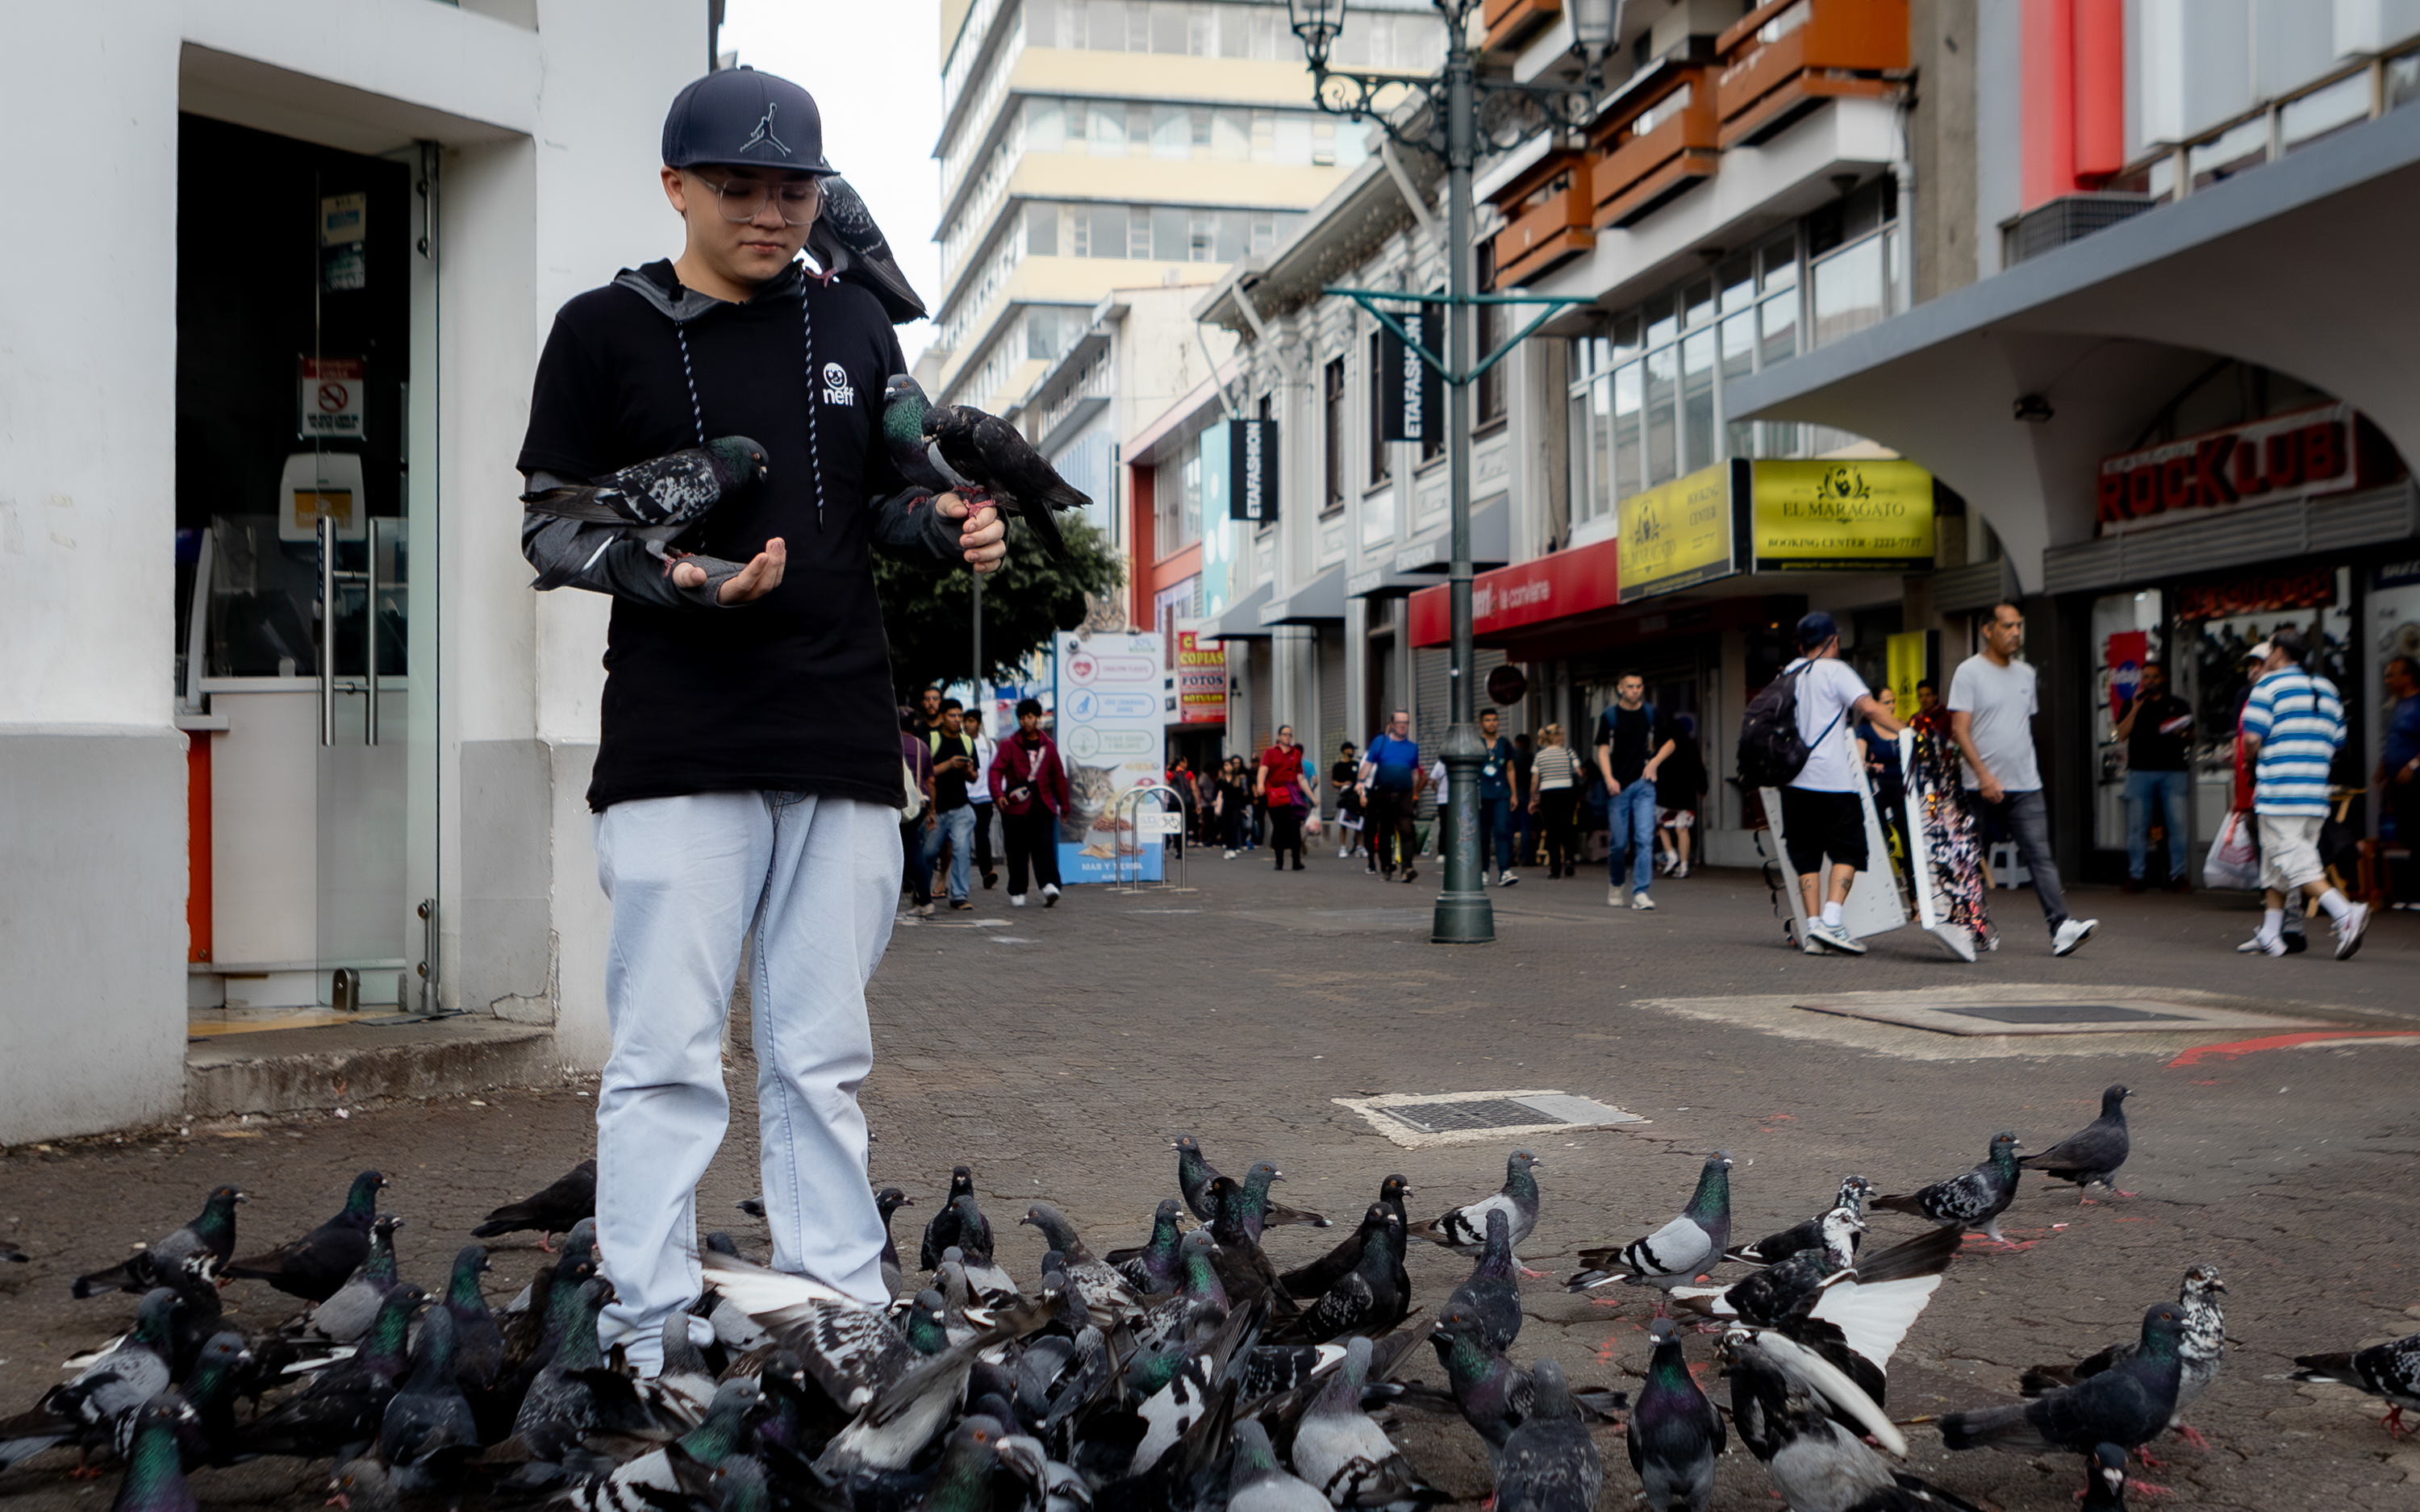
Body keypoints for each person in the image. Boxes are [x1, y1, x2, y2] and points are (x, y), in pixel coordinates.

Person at [515, 67, 1008, 1371]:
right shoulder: (601, 330)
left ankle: (840, 1320)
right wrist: (675, 578)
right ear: (675, 186)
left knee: (821, 1055)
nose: (769, 212)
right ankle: (646, 1330)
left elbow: (885, 502)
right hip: (680, 742)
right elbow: (552, 529)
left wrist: (954, 525)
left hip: (841, 732)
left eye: (793, 190)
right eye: (738, 186)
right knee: (668, 1057)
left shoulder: (854, 324)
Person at [1949, 602, 2098, 957]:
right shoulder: (1968, 672)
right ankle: (1965, 928)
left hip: (2025, 785)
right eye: (2008, 626)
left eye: (2019, 626)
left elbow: (2019, 726)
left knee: (2041, 857)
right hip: (1977, 787)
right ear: (1988, 630)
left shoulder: (2026, 673)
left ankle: (2061, 927)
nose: (2016, 632)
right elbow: (1959, 730)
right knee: (1967, 859)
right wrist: (1984, 776)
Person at [2238, 628, 2366, 957]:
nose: (2266, 657)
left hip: (2280, 791)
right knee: (2276, 862)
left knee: (2293, 862)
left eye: (2269, 651)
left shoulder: (2267, 686)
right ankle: (2270, 933)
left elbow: (2251, 738)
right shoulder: (2328, 688)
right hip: (2314, 792)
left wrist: (2251, 758)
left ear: (2279, 653)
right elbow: (2339, 741)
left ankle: (2344, 913)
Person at [1778, 614, 1900, 953]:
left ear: (1801, 645)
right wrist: (1908, 732)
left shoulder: (1789, 673)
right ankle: (1832, 921)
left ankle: (1813, 930)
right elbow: (1870, 709)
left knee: (1806, 855)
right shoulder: (1836, 671)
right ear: (1833, 641)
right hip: (1832, 782)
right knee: (1849, 849)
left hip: (1793, 782)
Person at [1594, 673, 1673, 910]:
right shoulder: (1610, 716)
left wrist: (1654, 762)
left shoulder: (1650, 713)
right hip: (1618, 786)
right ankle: (1617, 883)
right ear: (1620, 688)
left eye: (1639, 686)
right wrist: (1609, 778)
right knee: (1619, 844)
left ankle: (1641, 892)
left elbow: (1670, 743)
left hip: (1643, 784)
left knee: (1645, 839)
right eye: (1630, 686)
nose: (1635, 690)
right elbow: (1603, 750)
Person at [2113, 660, 2193, 893]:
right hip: (2140, 772)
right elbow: (2121, 734)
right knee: (2138, 826)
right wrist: (2136, 708)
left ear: (2163, 679)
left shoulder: (2178, 704)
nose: (2150, 681)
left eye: (2154, 677)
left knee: (2176, 825)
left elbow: (2193, 735)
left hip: (2173, 771)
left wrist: (2183, 732)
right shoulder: (2131, 703)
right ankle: (2136, 876)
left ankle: (2177, 875)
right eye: (2146, 677)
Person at [991, 698, 1066, 906]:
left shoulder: (1048, 746)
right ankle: (1018, 891)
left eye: (1030, 717)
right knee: (1016, 850)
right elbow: (996, 770)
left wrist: (1064, 804)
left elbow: (1058, 776)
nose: (1026, 721)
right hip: (1014, 808)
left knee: (1044, 847)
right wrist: (998, 794)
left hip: (1043, 806)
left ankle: (1049, 886)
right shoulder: (1009, 745)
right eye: (1022, 718)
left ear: (1038, 718)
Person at [922, 699, 978, 910]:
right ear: (942, 717)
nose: (957, 720)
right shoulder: (931, 739)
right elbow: (922, 774)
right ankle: (921, 892)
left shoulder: (967, 741)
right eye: (952, 716)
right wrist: (948, 764)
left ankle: (959, 896)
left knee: (962, 849)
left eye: (959, 716)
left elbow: (974, 777)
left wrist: (969, 771)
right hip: (936, 810)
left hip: (961, 807)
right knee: (928, 852)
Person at [2379, 655, 2420, 910]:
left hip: (2415, 781)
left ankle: (2416, 894)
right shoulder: (2399, 704)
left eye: (2392, 675)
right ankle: (2407, 893)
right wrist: (2383, 767)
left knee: (2418, 834)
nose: (2387, 680)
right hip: (2397, 782)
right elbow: (2395, 739)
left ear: (2408, 677)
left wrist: (2414, 765)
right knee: (2406, 835)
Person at [1363, 710, 1424, 882]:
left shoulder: (1412, 747)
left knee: (1406, 829)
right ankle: (1386, 866)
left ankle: (1407, 868)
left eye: (1406, 722)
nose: (1403, 726)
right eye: (1399, 723)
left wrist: (1414, 793)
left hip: (1405, 795)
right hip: (1384, 795)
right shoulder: (1380, 742)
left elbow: (1414, 771)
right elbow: (1367, 765)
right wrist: (1360, 785)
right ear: (1391, 724)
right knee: (1385, 832)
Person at [1857, 689, 1906, 880]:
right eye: (1886, 703)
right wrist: (1871, 766)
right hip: (1880, 789)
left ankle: (1913, 881)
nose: (1892, 706)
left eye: (1893, 701)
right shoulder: (1865, 729)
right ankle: (1884, 878)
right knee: (1880, 836)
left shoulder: (1901, 725)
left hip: (1903, 789)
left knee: (1908, 836)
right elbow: (1859, 761)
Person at [1256, 725, 1316, 872]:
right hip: (1275, 796)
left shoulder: (1296, 754)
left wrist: (1312, 797)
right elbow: (1263, 769)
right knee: (1279, 828)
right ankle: (1279, 861)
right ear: (1278, 736)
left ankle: (1296, 861)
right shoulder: (1270, 752)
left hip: (1292, 797)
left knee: (1294, 828)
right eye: (1285, 734)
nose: (1288, 737)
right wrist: (1260, 784)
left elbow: (1301, 778)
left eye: (1290, 735)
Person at [1655, 710, 1707, 881]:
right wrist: (1703, 788)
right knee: (1682, 829)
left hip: (1665, 795)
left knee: (1662, 825)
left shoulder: (1663, 746)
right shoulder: (1690, 745)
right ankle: (1684, 866)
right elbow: (1699, 769)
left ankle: (1671, 855)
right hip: (1685, 795)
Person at [1529, 723, 1580, 878]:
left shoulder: (1540, 756)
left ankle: (1556, 867)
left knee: (1552, 830)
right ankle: (1569, 860)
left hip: (1548, 794)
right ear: (1559, 737)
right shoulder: (1569, 752)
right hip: (1567, 793)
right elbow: (1579, 772)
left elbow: (1534, 781)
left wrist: (1533, 799)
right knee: (1567, 828)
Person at [1477, 708, 1520, 885]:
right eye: (1488, 720)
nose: (1492, 723)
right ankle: (1483, 871)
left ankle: (1505, 870)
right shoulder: (1476, 743)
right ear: (1481, 723)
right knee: (1483, 835)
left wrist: (1514, 794)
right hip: (1481, 795)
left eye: (1494, 720)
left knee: (1502, 830)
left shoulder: (1504, 743)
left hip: (1501, 794)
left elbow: (1510, 769)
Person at [899, 710, 936, 918]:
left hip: (899, 804)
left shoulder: (890, 744)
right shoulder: (922, 746)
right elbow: (931, 781)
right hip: (920, 803)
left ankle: (924, 899)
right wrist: (932, 811)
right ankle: (922, 897)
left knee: (909, 852)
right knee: (914, 848)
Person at [963, 706, 999, 889]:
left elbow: (996, 770)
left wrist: (998, 794)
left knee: (982, 834)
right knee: (961, 838)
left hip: (984, 797)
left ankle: (987, 872)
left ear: (978, 724)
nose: (967, 725)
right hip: (963, 797)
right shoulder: (960, 742)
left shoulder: (989, 745)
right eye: (965, 721)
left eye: (971, 721)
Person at [1331, 741, 1365, 860]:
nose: (1352, 751)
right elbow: (1334, 782)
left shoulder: (1357, 764)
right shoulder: (1338, 766)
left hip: (1356, 796)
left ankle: (1359, 846)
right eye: (1350, 749)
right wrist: (1344, 783)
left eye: (1353, 749)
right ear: (1345, 750)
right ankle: (1343, 846)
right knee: (1343, 821)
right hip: (1345, 796)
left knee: (1359, 821)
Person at [1511, 731, 1538, 867]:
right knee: (1526, 827)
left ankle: (1509, 857)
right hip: (1526, 795)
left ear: (1517, 743)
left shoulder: (1510, 756)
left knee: (1509, 827)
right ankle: (1526, 857)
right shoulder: (1530, 757)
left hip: (1511, 795)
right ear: (1524, 744)